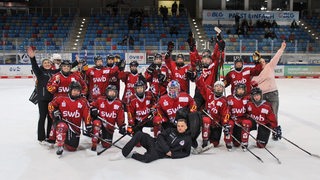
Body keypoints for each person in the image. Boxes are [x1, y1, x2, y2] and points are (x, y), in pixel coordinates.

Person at [251, 41, 286, 140]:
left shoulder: (269, 67)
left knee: (273, 114)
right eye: (260, 62)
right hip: (260, 96)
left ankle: (275, 130)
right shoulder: (254, 74)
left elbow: (276, 57)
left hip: (272, 94)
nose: (262, 63)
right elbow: (251, 86)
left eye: (263, 61)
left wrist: (281, 48)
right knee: (263, 114)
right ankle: (264, 131)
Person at [47, 82, 91, 155]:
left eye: (78, 91)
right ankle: (59, 145)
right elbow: (50, 105)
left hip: (74, 127)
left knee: (72, 148)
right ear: (70, 90)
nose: (76, 92)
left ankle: (65, 140)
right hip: (63, 122)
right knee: (62, 126)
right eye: (74, 90)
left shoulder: (83, 101)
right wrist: (54, 112)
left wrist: (88, 124)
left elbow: (87, 114)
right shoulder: (61, 98)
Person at [119, 118, 191, 163]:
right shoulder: (171, 130)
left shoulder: (187, 139)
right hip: (153, 142)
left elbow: (186, 153)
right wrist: (167, 150)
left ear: (186, 127)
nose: (180, 128)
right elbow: (160, 136)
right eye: (178, 126)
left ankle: (133, 154)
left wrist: (173, 154)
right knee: (139, 134)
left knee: (147, 159)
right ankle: (123, 153)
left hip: (159, 153)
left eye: (182, 126)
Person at [28, 47, 57, 143]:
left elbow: (65, 69)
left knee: (50, 118)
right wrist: (32, 58)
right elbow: (35, 66)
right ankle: (41, 137)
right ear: (43, 65)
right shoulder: (40, 73)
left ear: (51, 64)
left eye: (48, 63)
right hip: (43, 99)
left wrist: (76, 63)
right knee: (42, 117)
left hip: (52, 99)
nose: (47, 64)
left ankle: (49, 136)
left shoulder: (54, 72)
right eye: (45, 63)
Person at [196, 77, 230, 150]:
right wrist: (199, 77)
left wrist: (225, 124)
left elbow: (225, 114)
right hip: (207, 120)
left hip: (216, 124)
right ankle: (205, 140)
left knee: (215, 143)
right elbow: (202, 86)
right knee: (206, 120)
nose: (218, 88)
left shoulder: (224, 101)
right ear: (214, 88)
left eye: (221, 87)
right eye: (217, 86)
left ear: (223, 89)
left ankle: (211, 138)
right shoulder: (209, 94)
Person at [90, 85, 126, 151]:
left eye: (113, 92)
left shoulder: (119, 103)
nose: (112, 93)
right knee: (96, 123)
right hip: (100, 123)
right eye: (110, 92)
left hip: (109, 128)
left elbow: (120, 117)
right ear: (107, 92)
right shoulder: (100, 99)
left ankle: (100, 135)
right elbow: (91, 105)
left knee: (106, 145)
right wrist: (93, 109)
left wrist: (121, 126)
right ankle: (94, 142)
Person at [226, 83, 254, 150]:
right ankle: (228, 141)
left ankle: (245, 142)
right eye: (239, 89)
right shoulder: (230, 99)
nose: (241, 91)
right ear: (236, 90)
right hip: (233, 121)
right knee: (229, 125)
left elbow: (251, 109)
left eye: (242, 89)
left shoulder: (247, 99)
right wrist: (225, 122)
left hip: (242, 122)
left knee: (247, 122)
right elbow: (226, 112)